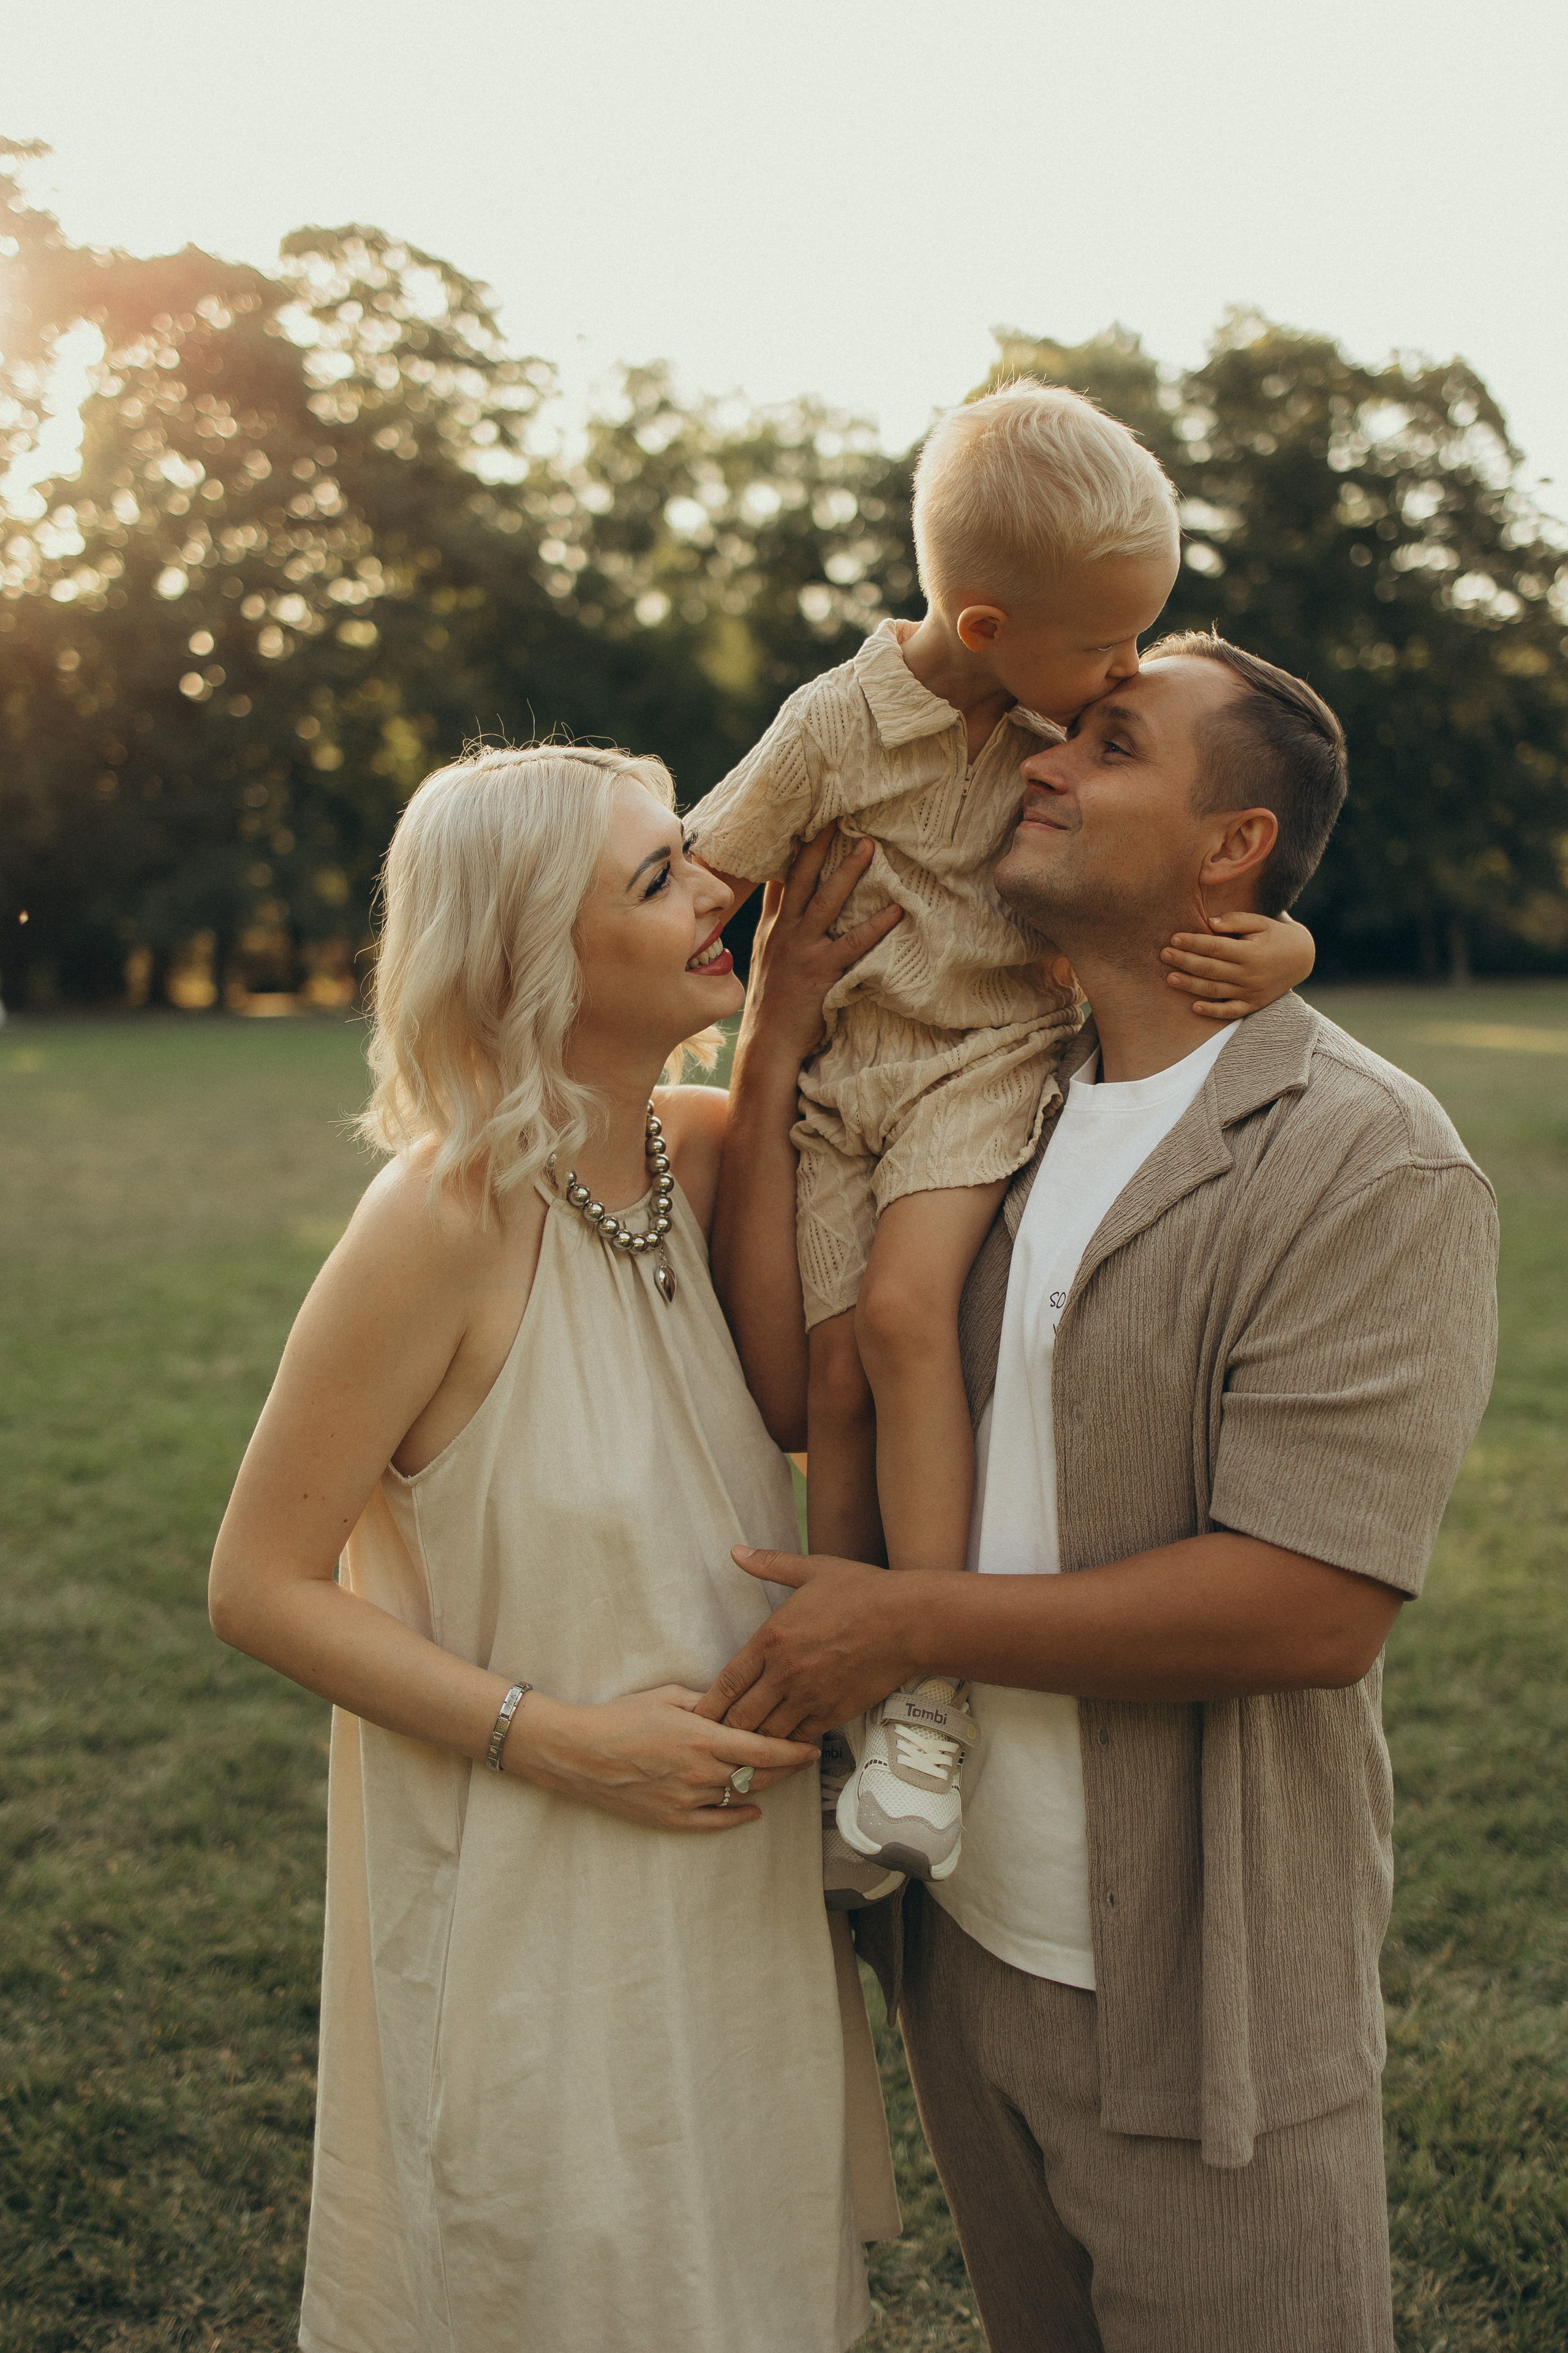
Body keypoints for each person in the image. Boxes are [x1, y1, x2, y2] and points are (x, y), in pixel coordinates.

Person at [702, 633, 1500, 2352]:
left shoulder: (1368, 1159)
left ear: (1236, 850)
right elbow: (801, 1382)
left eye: (1114, 744)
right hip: (963, 1945)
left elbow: (1313, 1608)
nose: (1045, 760)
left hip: (1198, 2009)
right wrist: (769, 1043)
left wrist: (901, 1622)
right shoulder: (1001, 1103)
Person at [207, 743, 903, 2353]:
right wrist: (566, 1742)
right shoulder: (439, 1215)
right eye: (657, 877)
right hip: (539, 1878)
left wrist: (782, 1016)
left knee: (745, 2280)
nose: (714, 886)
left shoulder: (711, 1152)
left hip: (733, 1878)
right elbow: (257, 1584)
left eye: (690, 856)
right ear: (533, 956)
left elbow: (812, 1397)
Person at [695, 383, 1316, 1897]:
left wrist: (1283, 953)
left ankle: (926, 1687)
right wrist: (707, 1017)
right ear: (984, 626)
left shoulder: (1059, 707)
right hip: (843, 1079)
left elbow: (1239, 862)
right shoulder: (834, 728)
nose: (1123, 677)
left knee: (905, 1319)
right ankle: (855, 1711)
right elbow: (702, 871)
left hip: (979, 1058)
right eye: (1107, 649)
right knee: (830, 1383)